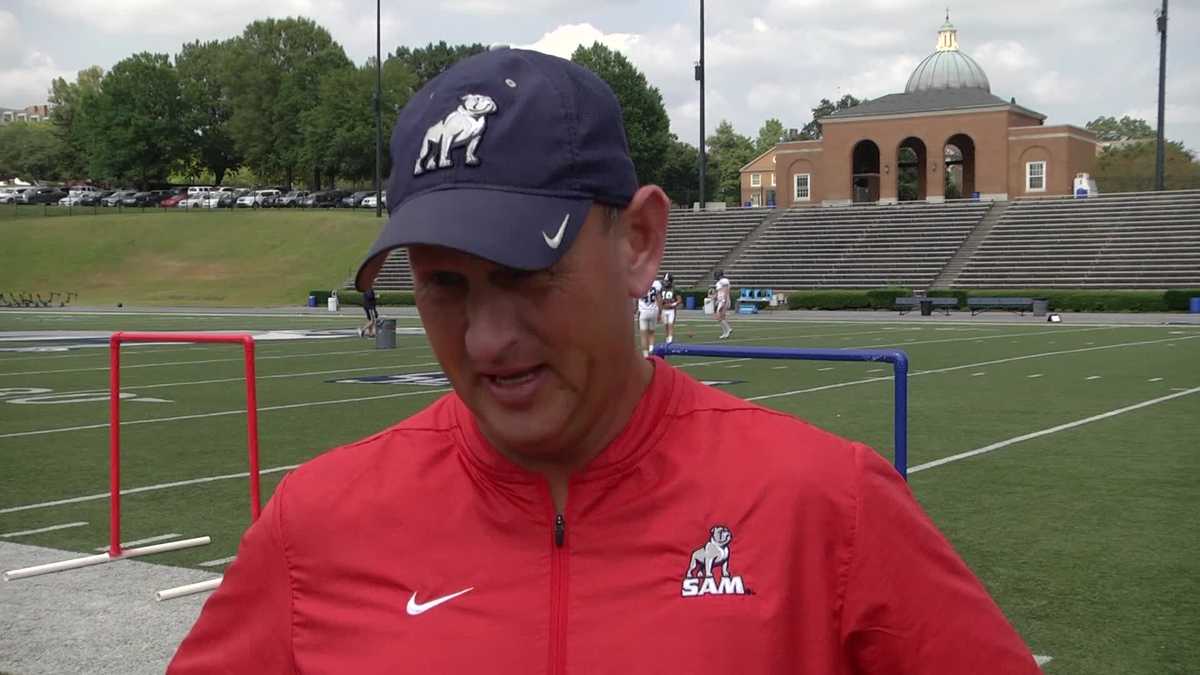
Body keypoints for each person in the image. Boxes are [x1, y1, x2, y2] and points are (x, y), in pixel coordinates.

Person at [169, 48, 1040, 674]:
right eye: (442, 285)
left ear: (641, 240)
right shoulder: (315, 525)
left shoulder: (827, 509)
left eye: (526, 273)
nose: (484, 340)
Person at [636, 278, 662, 357]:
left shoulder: (639, 282)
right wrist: (660, 313)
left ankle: (646, 355)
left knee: (643, 335)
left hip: (643, 312)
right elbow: (659, 299)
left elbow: (635, 299)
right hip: (653, 311)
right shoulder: (656, 284)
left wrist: (635, 309)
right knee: (652, 333)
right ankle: (651, 350)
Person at [659, 272, 680, 344]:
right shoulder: (662, 289)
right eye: (665, 281)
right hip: (664, 310)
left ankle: (670, 340)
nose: (665, 282)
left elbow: (679, 300)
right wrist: (660, 302)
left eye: (667, 281)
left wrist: (673, 304)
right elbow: (659, 298)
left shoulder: (674, 289)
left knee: (670, 324)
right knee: (665, 325)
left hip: (671, 310)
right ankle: (667, 338)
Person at [712, 269, 732, 339]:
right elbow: (719, 293)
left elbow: (726, 291)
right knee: (722, 317)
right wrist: (713, 299)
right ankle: (725, 333)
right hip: (720, 301)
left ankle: (728, 329)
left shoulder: (724, 281)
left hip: (724, 300)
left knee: (718, 317)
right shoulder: (718, 282)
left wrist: (723, 301)